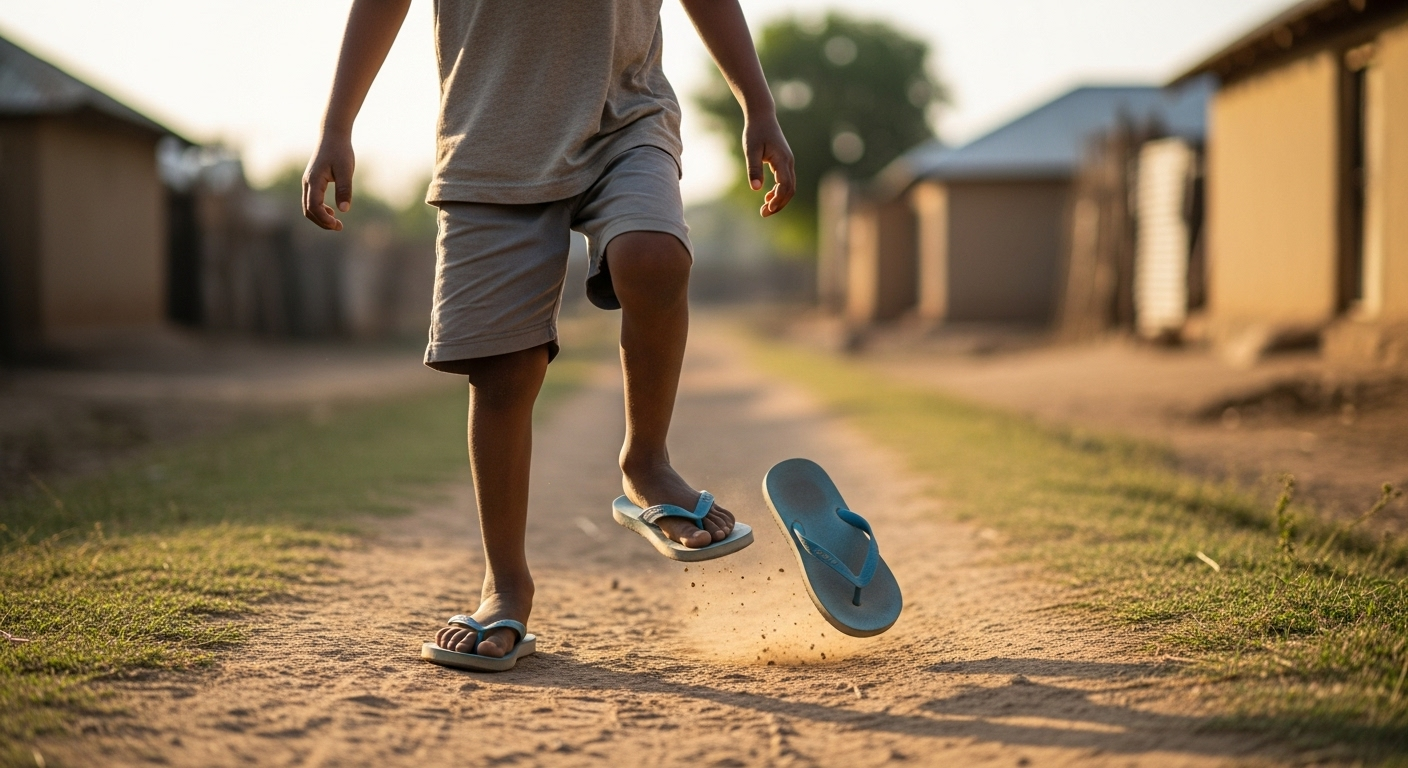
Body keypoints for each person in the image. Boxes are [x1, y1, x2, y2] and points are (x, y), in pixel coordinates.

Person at [303, 0, 795, 659]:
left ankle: (646, 462)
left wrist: (757, 106)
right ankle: (504, 587)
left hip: (625, 114)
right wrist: (337, 123)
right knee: (504, 369)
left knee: (653, 254)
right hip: (490, 136)